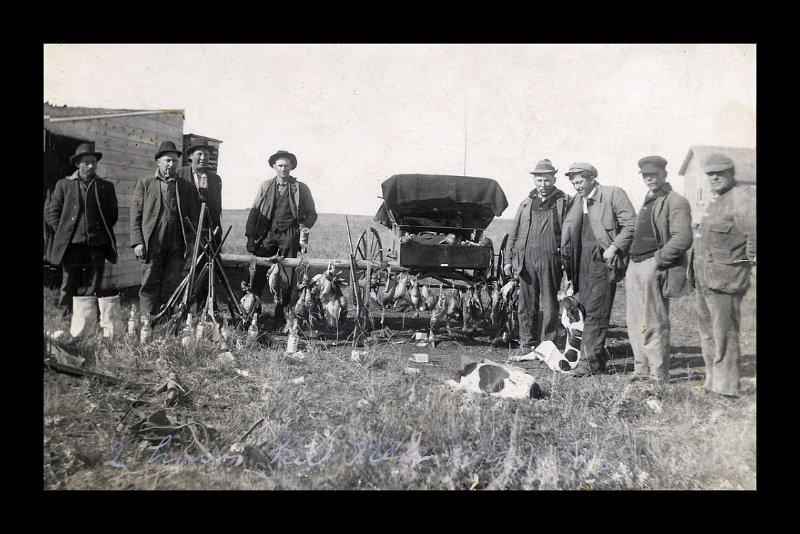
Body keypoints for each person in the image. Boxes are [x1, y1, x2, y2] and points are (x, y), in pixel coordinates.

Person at [689, 153, 756, 398]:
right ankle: (712, 382)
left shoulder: (742, 199)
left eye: (719, 173)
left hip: (726, 280)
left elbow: (754, 238)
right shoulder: (717, 200)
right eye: (710, 174)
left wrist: (745, 266)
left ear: (731, 174)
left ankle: (726, 389)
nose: (714, 178)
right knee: (707, 334)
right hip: (705, 279)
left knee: (724, 335)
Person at [561, 162, 636, 377]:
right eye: (574, 183)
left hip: (602, 264)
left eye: (580, 181)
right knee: (583, 311)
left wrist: (614, 247)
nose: (577, 186)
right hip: (579, 265)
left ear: (592, 178)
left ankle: (588, 363)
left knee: (596, 313)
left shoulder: (613, 195)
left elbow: (631, 224)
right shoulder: (576, 201)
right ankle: (598, 358)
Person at [625, 156, 693, 383]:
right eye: (645, 175)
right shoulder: (648, 199)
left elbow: (682, 238)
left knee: (653, 321)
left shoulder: (676, 201)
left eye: (654, 174)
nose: (650, 178)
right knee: (635, 321)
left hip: (652, 265)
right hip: (635, 264)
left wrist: (658, 260)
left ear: (664, 174)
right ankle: (641, 370)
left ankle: (657, 374)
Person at [503, 159, 572, 348]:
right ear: (534, 180)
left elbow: (572, 234)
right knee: (526, 304)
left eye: (547, 180)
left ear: (554, 179)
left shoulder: (564, 202)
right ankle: (527, 342)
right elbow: (514, 233)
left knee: (550, 304)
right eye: (539, 180)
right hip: (526, 260)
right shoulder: (526, 203)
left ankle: (548, 343)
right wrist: (509, 260)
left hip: (551, 260)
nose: (543, 185)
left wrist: (567, 263)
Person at [45, 143, 118, 316]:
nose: (90, 166)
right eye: (86, 162)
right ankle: (65, 318)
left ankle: (88, 318)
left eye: (93, 162)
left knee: (93, 284)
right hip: (72, 246)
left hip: (96, 245)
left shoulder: (105, 186)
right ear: (78, 164)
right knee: (69, 282)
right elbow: (51, 212)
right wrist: (64, 230)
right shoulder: (64, 185)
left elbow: (112, 215)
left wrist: (98, 231)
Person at [245, 150, 317, 323]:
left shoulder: (301, 188)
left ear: (292, 167)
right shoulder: (265, 186)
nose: (283, 169)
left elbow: (312, 214)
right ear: (273, 167)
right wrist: (250, 236)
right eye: (280, 165)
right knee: (261, 269)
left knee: (287, 272)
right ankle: (254, 310)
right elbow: (254, 212)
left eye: (286, 165)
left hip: (290, 234)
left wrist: (302, 229)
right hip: (267, 232)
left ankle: (281, 313)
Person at [130, 141, 200, 317]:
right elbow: (136, 215)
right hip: (152, 243)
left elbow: (193, 219)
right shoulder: (145, 184)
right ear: (158, 161)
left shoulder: (186, 187)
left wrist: (190, 243)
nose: (171, 165)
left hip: (176, 246)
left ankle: (166, 320)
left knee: (171, 284)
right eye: (168, 160)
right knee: (149, 283)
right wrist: (138, 242)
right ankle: (148, 320)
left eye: (175, 161)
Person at [177, 139, 223, 314]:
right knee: (186, 272)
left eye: (207, 154)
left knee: (208, 273)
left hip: (208, 233)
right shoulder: (180, 174)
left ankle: (205, 312)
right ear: (190, 156)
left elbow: (216, 209)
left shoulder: (215, 179)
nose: (204, 158)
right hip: (186, 233)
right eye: (199, 154)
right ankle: (182, 310)